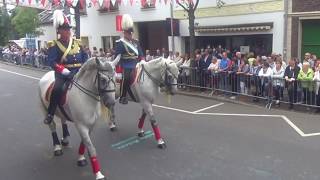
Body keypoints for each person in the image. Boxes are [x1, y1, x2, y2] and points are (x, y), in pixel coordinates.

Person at [43, 10, 88, 125]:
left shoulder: (77, 43)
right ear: (59, 31)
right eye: (65, 29)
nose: (68, 31)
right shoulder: (54, 44)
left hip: (79, 71)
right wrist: (63, 70)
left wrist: (85, 67)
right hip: (63, 74)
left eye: (69, 29)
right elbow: (51, 62)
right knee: (57, 89)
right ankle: (50, 113)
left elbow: (85, 57)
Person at [115, 14, 144, 104]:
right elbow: (117, 57)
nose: (131, 35)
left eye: (131, 33)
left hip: (136, 64)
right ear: (124, 33)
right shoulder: (120, 43)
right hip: (126, 65)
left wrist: (143, 60)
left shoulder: (136, 42)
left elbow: (140, 53)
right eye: (129, 33)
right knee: (126, 77)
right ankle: (123, 96)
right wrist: (118, 71)